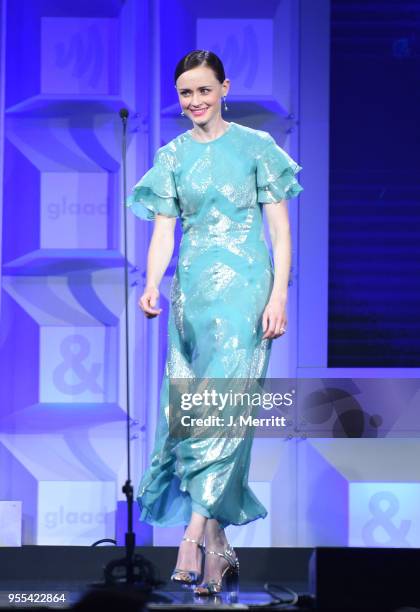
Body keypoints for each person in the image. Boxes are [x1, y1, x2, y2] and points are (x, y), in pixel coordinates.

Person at [126, 50, 303, 595]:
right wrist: (153, 282)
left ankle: (194, 533)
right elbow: (163, 233)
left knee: (224, 409)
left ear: (224, 88)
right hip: (193, 296)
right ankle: (219, 553)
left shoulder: (257, 148)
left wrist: (278, 295)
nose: (195, 101)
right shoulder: (172, 155)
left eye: (204, 90)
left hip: (247, 294)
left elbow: (280, 233)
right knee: (193, 411)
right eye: (186, 93)